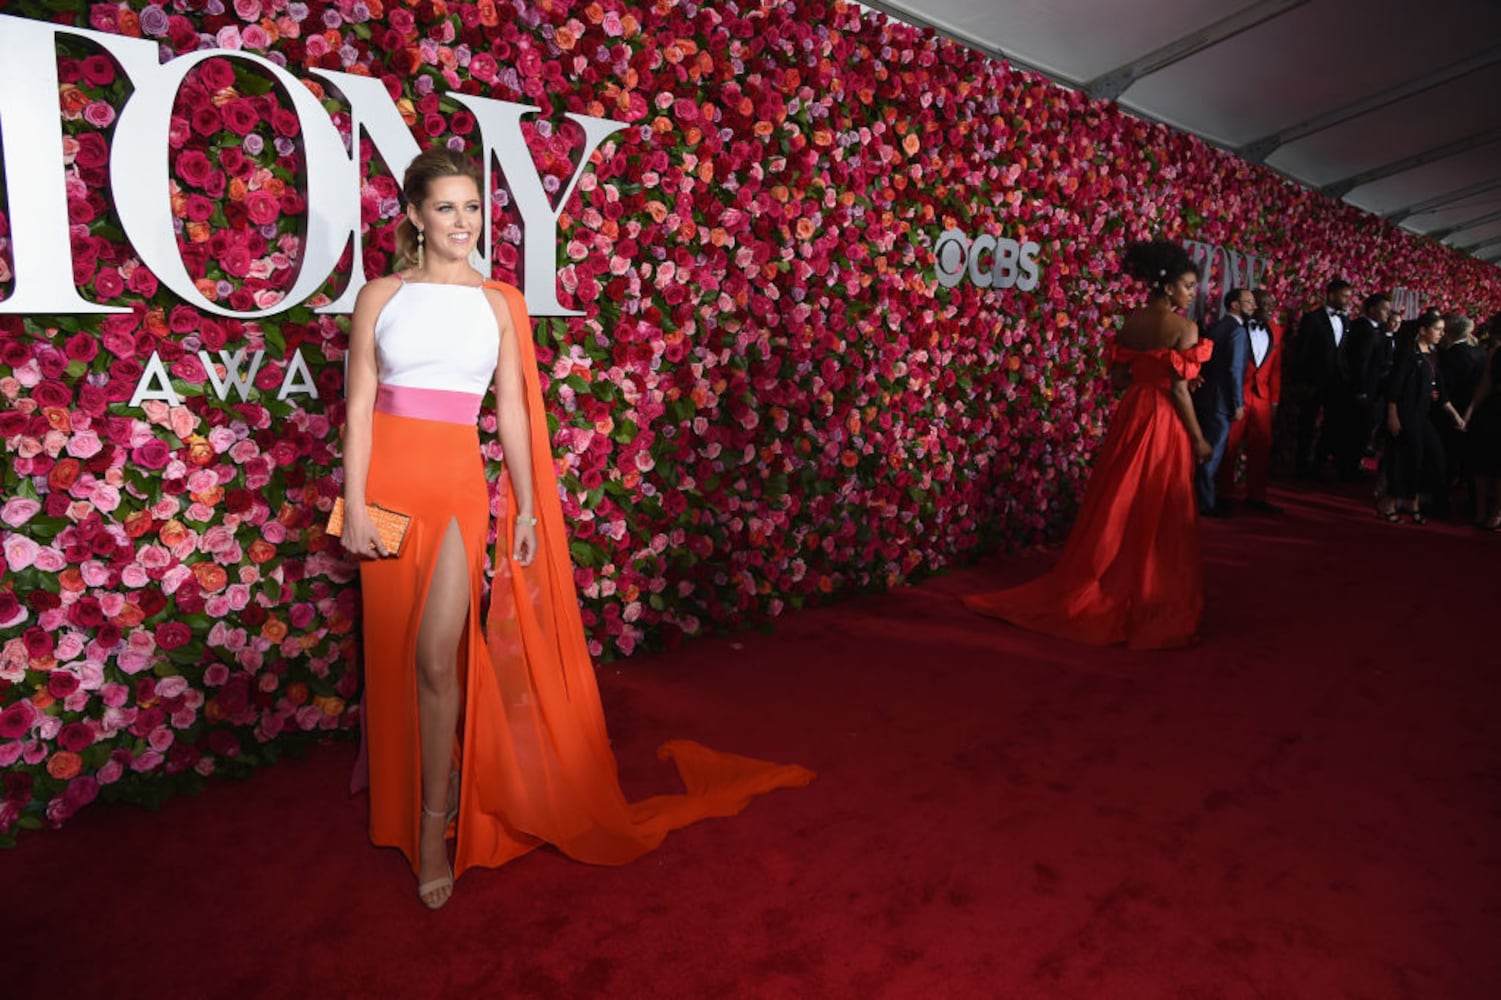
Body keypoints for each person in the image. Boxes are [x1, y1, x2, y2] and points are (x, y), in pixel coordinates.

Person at [339, 148, 812, 910]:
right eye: (447, 208)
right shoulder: (379, 295)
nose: (463, 222)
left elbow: (516, 413)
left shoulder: (497, 303)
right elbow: (359, 405)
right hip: (387, 489)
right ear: (416, 218)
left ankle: (434, 825)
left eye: (471, 208)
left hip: (457, 486)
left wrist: (525, 507)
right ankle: (427, 790)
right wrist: (354, 504)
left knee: (437, 659)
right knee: (396, 654)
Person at [964, 239, 1213, 650]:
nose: (1192, 293)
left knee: (1118, 498)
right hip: (1165, 420)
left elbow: (1118, 382)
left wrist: (1153, 376)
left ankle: (1106, 577)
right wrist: (1199, 438)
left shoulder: (1132, 323)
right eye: (1188, 285)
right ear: (1168, 287)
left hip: (1133, 413)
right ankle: (1148, 592)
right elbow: (1180, 391)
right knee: (1158, 502)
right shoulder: (1185, 328)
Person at [1378, 311, 1466, 524]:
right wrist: (1392, 415)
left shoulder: (1434, 354)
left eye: (1442, 329)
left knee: (1434, 455)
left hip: (1422, 414)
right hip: (1405, 412)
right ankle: (1392, 502)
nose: (1441, 333)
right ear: (1423, 330)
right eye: (1437, 329)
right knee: (1405, 458)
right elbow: (1395, 385)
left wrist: (1456, 416)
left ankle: (1411, 498)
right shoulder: (1409, 352)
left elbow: (1439, 388)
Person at [1217, 288, 1283, 513]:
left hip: (1262, 399)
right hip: (1239, 396)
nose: (1268, 309)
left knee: (1262, 448)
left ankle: (1257, 496)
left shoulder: (1277, 331)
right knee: (1229, 446)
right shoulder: (1235, 328)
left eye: (1272, 305)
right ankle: (1223, 495)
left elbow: (1275, 369)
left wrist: (1274, 401)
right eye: (1264, 303)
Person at [1292, 279, 1360, 481]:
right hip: (1314, 381)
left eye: (1349, 296)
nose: (1348, 300)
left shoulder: (1347, 321)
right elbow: (1302, 351)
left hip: (1338, 383)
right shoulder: (1312, 319)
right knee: (1307, 423)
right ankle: (1302, 466)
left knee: (1332, 424)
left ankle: (1318, 466)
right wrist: (1302, 381)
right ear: (1331, 295)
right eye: (1344, 296)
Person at [1193, 287, 1251, 516]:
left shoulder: (1217, 327)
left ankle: (1201, 498)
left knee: (1205, 450)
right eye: (1249, 301)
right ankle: (1205, 503)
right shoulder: (1236, 331)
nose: (1253, 306)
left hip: (1205, 396)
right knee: (1211, 453)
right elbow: (1234, 370)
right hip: (1221, 401)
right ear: (1234, 304)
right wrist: (1238, 403)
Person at [1462, 313, 1501, 530]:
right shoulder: (1495, 353)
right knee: (1483, 462)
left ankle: (1496, 512)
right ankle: (1480, 510)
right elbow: (1485, 385)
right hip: (1492, 410)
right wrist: (1469, 411)